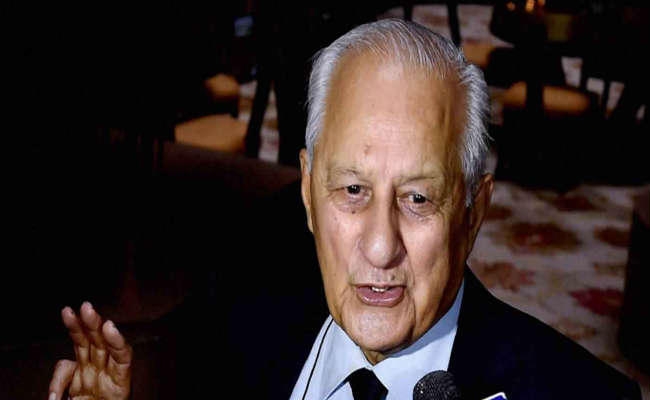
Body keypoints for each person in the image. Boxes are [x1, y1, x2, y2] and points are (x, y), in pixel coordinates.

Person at [49, 18, 642, 400]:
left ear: (473, 212)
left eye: (418, 198)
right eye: (353, 190)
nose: (380, 247)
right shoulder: (234, 319)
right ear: (308, 191)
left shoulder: (580, 394)